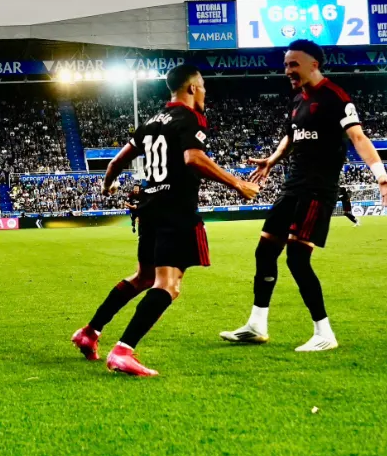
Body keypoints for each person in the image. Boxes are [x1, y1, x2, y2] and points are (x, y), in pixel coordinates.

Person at [72, 64, 259, 377]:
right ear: (190, 88)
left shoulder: (150, 121)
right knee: (168, 285)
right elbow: (194, 159)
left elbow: (118, 161)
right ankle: (123, 351)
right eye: (202, 87)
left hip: (150, 209)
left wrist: (107, 184)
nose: (204, 93)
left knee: (144, 277)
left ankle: (89, 333)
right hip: (176, 208)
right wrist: (238, 184)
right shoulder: (190, 117)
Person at [220, 39, 387, 352]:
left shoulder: (335, 96)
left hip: (317, 189)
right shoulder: (297, 99)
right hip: (293, 187)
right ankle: (256, 325)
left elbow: (357, 136)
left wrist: (381, 176)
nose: (287, 70)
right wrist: (272, 160)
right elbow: (290, 136)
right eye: (286, 65)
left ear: (314, 64)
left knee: (298, 259)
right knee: (264, 251)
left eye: (293, 64)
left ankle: (324, 332)